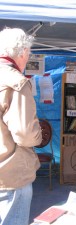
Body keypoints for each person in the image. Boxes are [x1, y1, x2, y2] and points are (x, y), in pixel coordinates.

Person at [0, 28, 42, 225]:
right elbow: (25, 134)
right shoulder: (16, 81)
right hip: (10, 175)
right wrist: (38, 135)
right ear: (23, 52)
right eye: (29, 54)